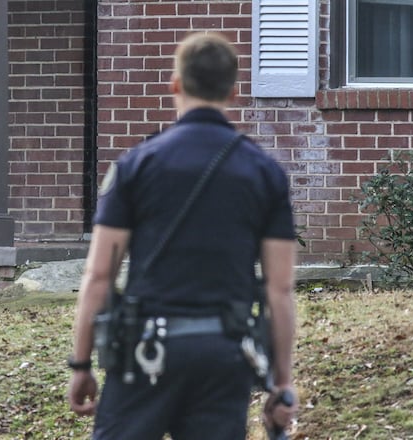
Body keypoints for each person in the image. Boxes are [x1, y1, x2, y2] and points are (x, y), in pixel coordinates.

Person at [66, 31, 298, 439]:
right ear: (233, 92)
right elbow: (280, 289)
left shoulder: (136, 165)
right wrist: (281, 382)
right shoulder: (265, 172)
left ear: (175, 84)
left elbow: (99, 275)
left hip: (144, 353)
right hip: (223, 354)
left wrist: (81, 364)